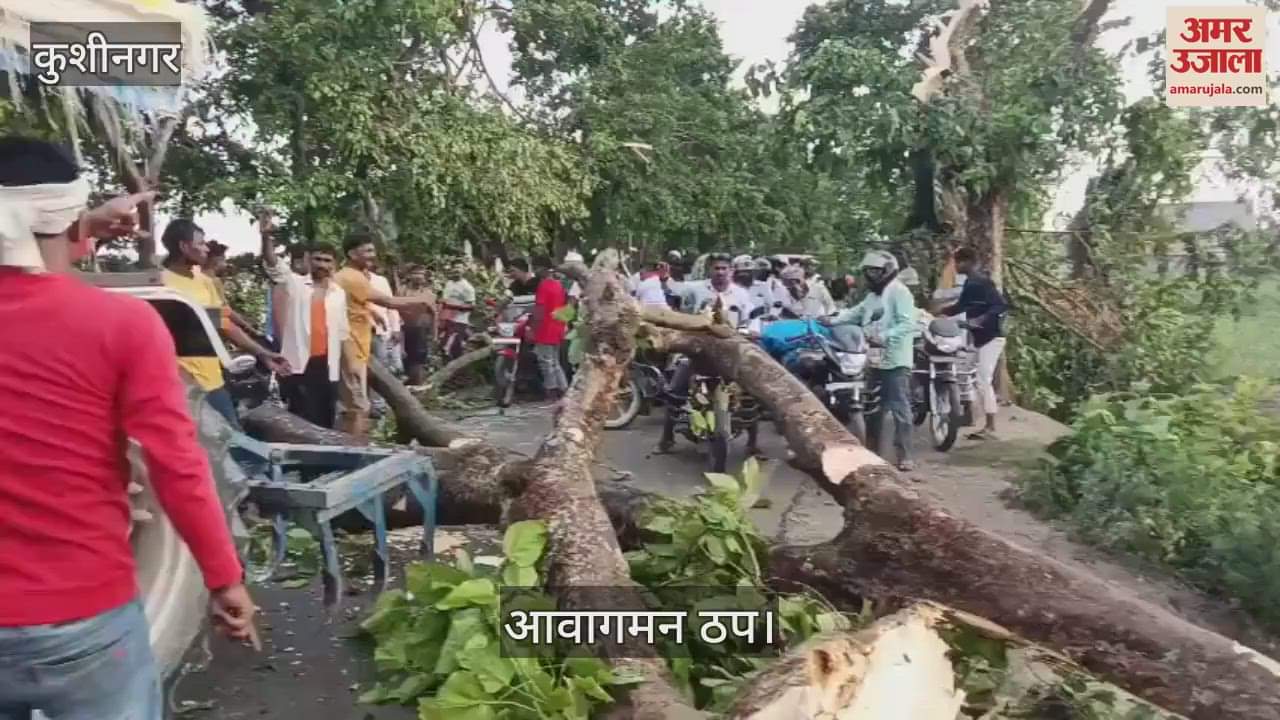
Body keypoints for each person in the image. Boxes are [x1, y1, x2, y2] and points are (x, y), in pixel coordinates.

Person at [0, 136, 256, 720]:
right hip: (85, 622)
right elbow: (177, 465)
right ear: (66, 219)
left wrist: (82, 223)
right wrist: (223, 579)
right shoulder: (123, 325)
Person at [161, 219, 290, 429]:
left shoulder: (204, 282)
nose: (206, 248)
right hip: (181, 383)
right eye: (201, 243)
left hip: (212, 379)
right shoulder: (162, 282)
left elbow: (223, 324)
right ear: (184, 247)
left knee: (230, 440)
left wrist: (262, 353)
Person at [332, 233, 435, 440]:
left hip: (355, 346)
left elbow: (353, 305)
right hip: (349, 349)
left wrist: (372, 313)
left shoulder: (353, 277)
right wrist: (422, 300)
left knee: (355, 404)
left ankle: (350, 447)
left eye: (373, 250)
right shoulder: (351, 277)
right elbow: (389, 302)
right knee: (358, 406)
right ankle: (352, 452)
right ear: (352, 253)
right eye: (368, 251)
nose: (373, 255)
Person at [659, 253, 760, 459]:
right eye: (717, 268)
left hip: (731, 349)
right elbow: (682, 316)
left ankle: (753, 443)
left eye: (724, 268)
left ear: (731, 271)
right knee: (675, 389)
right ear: (710, 270)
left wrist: (754, 331)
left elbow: (751, 319)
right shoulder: (694, 290)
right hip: (698, 349)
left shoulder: (741, 294)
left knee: (753, 391)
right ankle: (666, 438)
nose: (721, 272)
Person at [828, 250, 918, 472]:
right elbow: (854, 313)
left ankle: (905, 454)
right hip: (872, 358)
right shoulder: (872, 297)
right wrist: (832, 319)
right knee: (872, 407)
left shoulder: (900, 292)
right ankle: (873, 452)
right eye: (868, 271)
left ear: (887, 271)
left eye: (875, 271)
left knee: (900, 407)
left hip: (895, 358)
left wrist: (885, 336)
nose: (871, 275)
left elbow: (908, 324)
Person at [258, 212, 349, 429]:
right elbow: (273, 264)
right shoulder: (295, 284)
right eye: (317, 259)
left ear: (334, 264)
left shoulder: (338, 293)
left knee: (326, 416)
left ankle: (324, 461)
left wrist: (346, 370)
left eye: (327, 260)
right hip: (298, 362)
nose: (322, 265)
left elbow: (343, 333)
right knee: (301, 416)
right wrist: (265, 237)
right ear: (308, 260)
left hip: (328, 363)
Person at [942, 247, 1009, 440]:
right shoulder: (971, 283)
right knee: (966, 374)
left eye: (957, 263)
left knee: (982, 380)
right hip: (979, 339)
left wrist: (980, 321)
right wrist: (939, 312)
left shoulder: (981, 282)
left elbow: (1000, 305)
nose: (955, 267)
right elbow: (960, 307)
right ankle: (968, 416)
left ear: (967, 262)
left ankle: (990, 426)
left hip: (991, 338)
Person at [530, 255, 570, 401]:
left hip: (545, 329)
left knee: (545, 362)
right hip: (557, 327)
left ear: (544, 268)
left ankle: (551, 392)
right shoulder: (558, 285)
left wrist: (532, 329)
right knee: (554, 362)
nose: (534, 271)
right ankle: (564, 390)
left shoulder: (544, 285)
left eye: (536, 268)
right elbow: (566, 308)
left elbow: (539, 310)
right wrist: (563, 325)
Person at [400, 265, 437, 386]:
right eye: (416, 273)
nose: (419, 276)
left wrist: (434, 334)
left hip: (420, 330)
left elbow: (434, 314)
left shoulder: (428, 293)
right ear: (409, 276)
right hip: (403, 329)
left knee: (418, 360)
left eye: (422, 274)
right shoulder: (401, 291)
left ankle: (418, 386)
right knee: (404, 359)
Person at [266, 244, 309, 350]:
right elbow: (270, 259)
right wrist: (265, 237)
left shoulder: (310, 281)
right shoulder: (285, 278)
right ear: (298, 263)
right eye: (310, 260)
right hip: (284, 341)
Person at [368, 260, 403, 377]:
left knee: (383, 366)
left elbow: (390, 305)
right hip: (360, 330)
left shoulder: (380, 281)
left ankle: (380, 395)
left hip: (381, 330)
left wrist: (396, 328)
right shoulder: (347, 279)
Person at [438, 261, 476, 361]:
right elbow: (444, 300)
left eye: (459, 268)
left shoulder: (468, 287)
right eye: (454, 267)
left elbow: (472, 306)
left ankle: (457, 372)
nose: (456, 270)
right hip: (446, 319)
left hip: (459, 321)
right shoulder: (449, 283)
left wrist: (453, 306)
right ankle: (450, 372)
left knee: (450, 347)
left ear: (464, 270)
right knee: (445, 346)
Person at [733, 254, 775, 323]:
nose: (746, 274)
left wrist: (770, 315)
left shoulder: (763, 286)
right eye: (742, 272)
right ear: (736, 273)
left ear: (754, 272)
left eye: (749, 271)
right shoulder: (731, 288)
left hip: (761, 324)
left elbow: (772, 305)